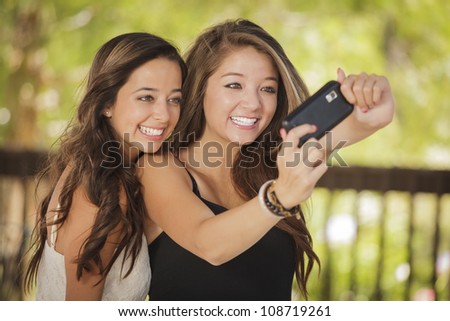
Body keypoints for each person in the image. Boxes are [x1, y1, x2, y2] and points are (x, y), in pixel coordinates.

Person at [139, 18, 394, 300]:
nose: (253, 103)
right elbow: (209, 245)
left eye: (268, 88)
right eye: (234, 85)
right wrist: (277, 198)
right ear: (200, 90)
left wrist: (376, 97)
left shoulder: (275, 164)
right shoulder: (158, 167)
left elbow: (368, 120)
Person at [23, 32, 187, 300]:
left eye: (174, 99)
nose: (164, 114)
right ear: (107, 104)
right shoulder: (105, 191)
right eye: (146, 97)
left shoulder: (91, 165)